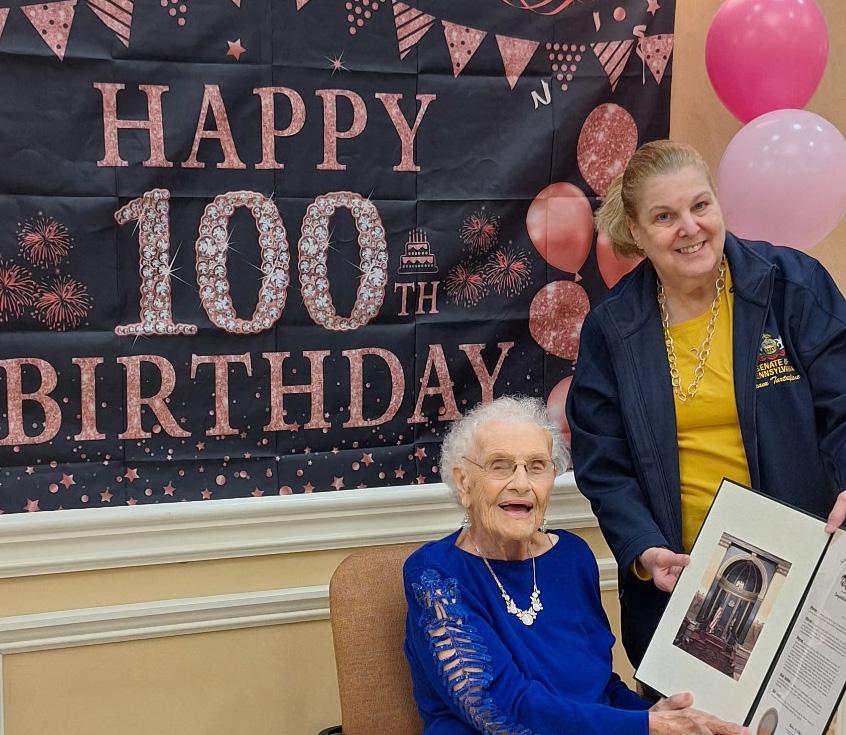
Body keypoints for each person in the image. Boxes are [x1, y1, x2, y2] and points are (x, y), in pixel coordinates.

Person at [566, 139, 846, 668]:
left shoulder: (792, 285)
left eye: (700, 205)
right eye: (665, 216)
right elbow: (603, 464)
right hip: (684, 583)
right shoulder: (613, 329)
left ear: (718, 202)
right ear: (637, 232)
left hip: (806, 567)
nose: (689, 227)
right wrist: (645, 548)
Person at [403, 395, 748, 735]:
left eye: (537, 466)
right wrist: (645, 726)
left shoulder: (573, 556)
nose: (521, 484)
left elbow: (601, 687)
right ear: (463, 482)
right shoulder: (435, 575)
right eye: (500, 466)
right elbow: (500, 710)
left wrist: (660, 716)